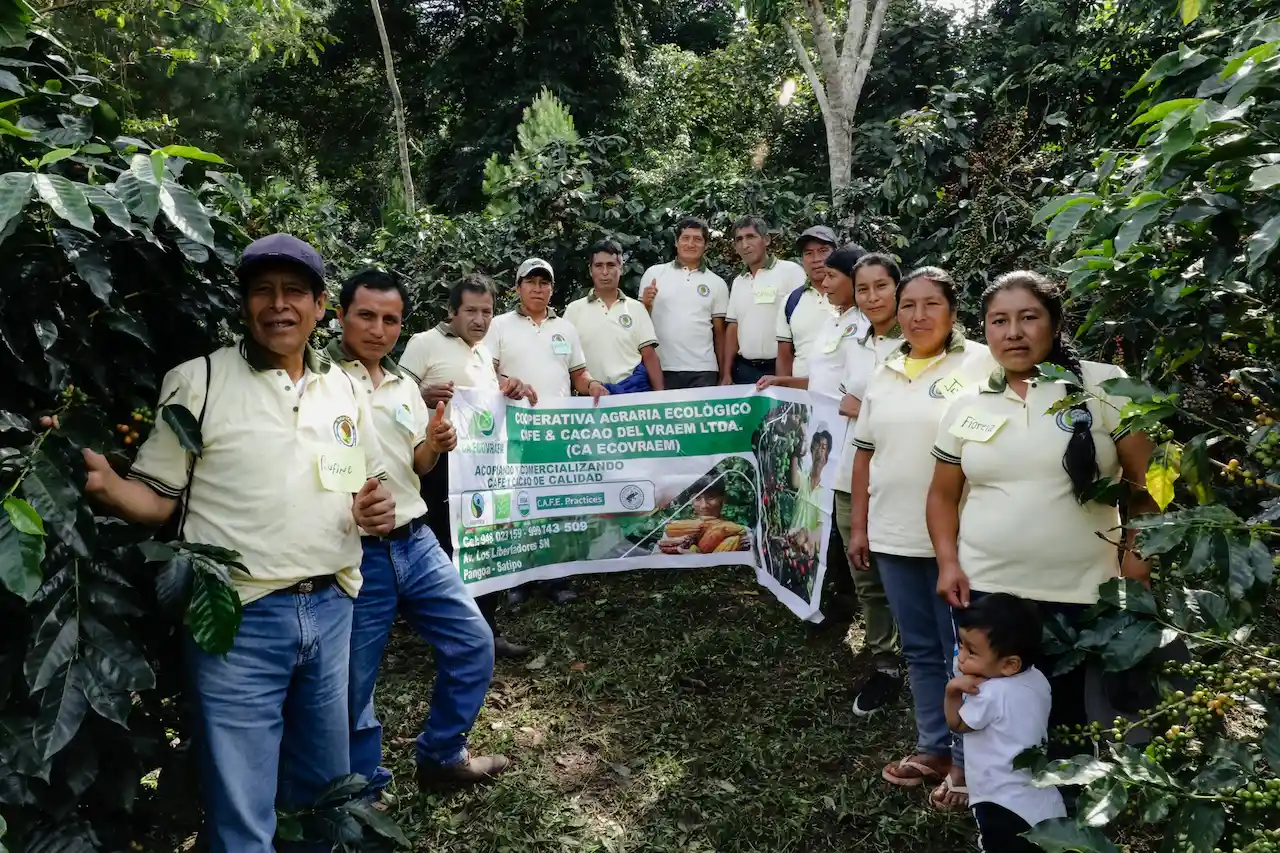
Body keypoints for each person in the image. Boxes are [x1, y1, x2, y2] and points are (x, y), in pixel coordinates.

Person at [77, 233, 396, 853]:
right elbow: (159, 500)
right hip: (235, 618)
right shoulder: (198, 382)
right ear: (244, 305)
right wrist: (110, 488)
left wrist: (373, 509)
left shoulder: (344, 390)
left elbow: (362, 487)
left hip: (331, 608)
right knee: (241, 809)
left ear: (321, 305)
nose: (279, 305)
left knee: (322, 794)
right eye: (262, 292)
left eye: (294, 292)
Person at [927, 270, 1156, 747]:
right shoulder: (968, 401)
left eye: (1029, 317)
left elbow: (1145, 485)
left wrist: (1137, 561)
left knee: (1069, 715)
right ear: (984, 329)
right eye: (999, 321)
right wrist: (948, 563)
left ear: (1054, 322)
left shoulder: (1105, 385)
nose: (1013, 332)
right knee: (997, 710)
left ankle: (1067, 809)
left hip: (1081, 588)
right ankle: (1002, 806)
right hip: (989, 588)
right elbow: (942, 495)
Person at [331, 268, 509, 795]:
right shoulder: (320, 383)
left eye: (390, 320)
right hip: (357, 553)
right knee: (353, 684)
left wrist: (435, 441)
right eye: (366, 316)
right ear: (340, 316)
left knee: (474, 642)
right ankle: (362, 791)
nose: (378, 329)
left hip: (417, 540)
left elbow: (419, 464)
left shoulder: (404, 385)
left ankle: (441, 756)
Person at [848, 266, 993, 811]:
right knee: (922, 650)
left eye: (931, 304)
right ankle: (933, 746)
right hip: (892, 536)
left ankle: (967, 760)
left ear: (953, 311)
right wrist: (861, 526)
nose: (918, 315)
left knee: (967, 652)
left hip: (960, 539)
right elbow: (864, 454)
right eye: (908, 305)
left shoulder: (981, 362)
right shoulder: (885, 369)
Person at [399, 274, 536, 659]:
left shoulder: (480, 352)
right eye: (471, 311)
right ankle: (450, 640)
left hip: (480, 471)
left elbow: (485, 405)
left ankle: (486, 633)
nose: (480, 319)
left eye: (487, 311)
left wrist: (509, 389)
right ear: (452, 312)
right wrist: (421, 394)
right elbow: (393, 393)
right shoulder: (423, 343)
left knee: (483, 551)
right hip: (438, 467)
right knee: (446, 555)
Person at [486, 257, 607, 605]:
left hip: (557, 432)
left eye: (544, 283)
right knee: (518, 504)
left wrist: (593, 385)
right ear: (518, 287)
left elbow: (579, 376)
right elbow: (485, 374)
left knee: (557, 504)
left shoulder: (565, 328)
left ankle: (557, 577)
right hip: (515, 430)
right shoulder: (499, 326)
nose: (538, 289)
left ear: (551, 288)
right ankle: (519, 579)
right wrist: (508, 383)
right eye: (531, 282)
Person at [944, 593, 1066, 853]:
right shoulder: (1037, 679)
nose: (962, 658)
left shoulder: (989, 693)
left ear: (1010, 664)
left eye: (972, 651)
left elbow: (958, 723)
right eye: (961, 645)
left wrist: (953, 691)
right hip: (1039, 795)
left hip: (997, 796)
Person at [640, 217, 730, 389]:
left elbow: (720, 334)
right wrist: (646, 304)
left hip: (704, 370)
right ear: (676, 242)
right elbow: (638, 326)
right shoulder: (654, 274)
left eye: (697, 239)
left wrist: (724, 373)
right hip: (661, 368)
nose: (691, 244)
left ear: (706, 245)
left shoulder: (717, 283)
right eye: (685, 238)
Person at [564, 239, 664, 393]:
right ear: (591, 270)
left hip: (633, 395)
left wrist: (660, 396)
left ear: (621, 268)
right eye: (599, 266)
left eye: (611, 265)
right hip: (591, 398)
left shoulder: (636, 308)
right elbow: (565, 359)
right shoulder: (574, 310)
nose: (605, 272)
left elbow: (649, 356)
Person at [721, 216, 806, 385]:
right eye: (739, 239)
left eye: (751, 237)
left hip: (780, 367)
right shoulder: (739, 281)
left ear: (766, 240)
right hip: (744, 370)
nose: (745, 245)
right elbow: (733, 327)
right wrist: (726, 373)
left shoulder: (791, 271)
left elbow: (804, 319)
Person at [775, 226, 839, 380]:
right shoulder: (791, 301)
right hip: (802, 397)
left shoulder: (853, 297)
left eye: (823, 251)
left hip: (843, 396)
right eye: (809, 253)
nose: (816, 259)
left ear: (836, 254)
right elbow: (784, 356)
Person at [788, 429, 833, 555]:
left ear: (828, 455)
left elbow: (821, 527)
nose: (819, 451)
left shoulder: (826, 491)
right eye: (816, 446)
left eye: (823, 448)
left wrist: (807, 537)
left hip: (808, 554)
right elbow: (794, 481)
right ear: (811, 451)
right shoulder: (802, 478)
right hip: (790, 545)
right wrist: (797, 453)